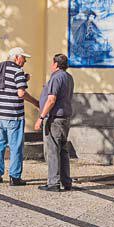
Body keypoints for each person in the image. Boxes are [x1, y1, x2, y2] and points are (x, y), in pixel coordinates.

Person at [0, 47, 35, 186]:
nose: (25, 60)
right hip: (13, 115)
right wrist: (36, 102)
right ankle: (15, 177)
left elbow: (6, 85)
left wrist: (24, 79)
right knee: (15, 147)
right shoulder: (18, 71)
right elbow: (21, 93)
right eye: (24, 58)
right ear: (16, 57)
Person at [36, 53, 75, 192]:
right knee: (63, 151)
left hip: (55, 119)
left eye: (52, 63)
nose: (51, 66)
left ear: (56, 64)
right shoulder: (69, 77)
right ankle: (66, 181)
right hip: (65, 118)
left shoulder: (56, 77)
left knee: (53, 151)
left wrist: (41, 117)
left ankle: (53, 183)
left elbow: (51, 99)